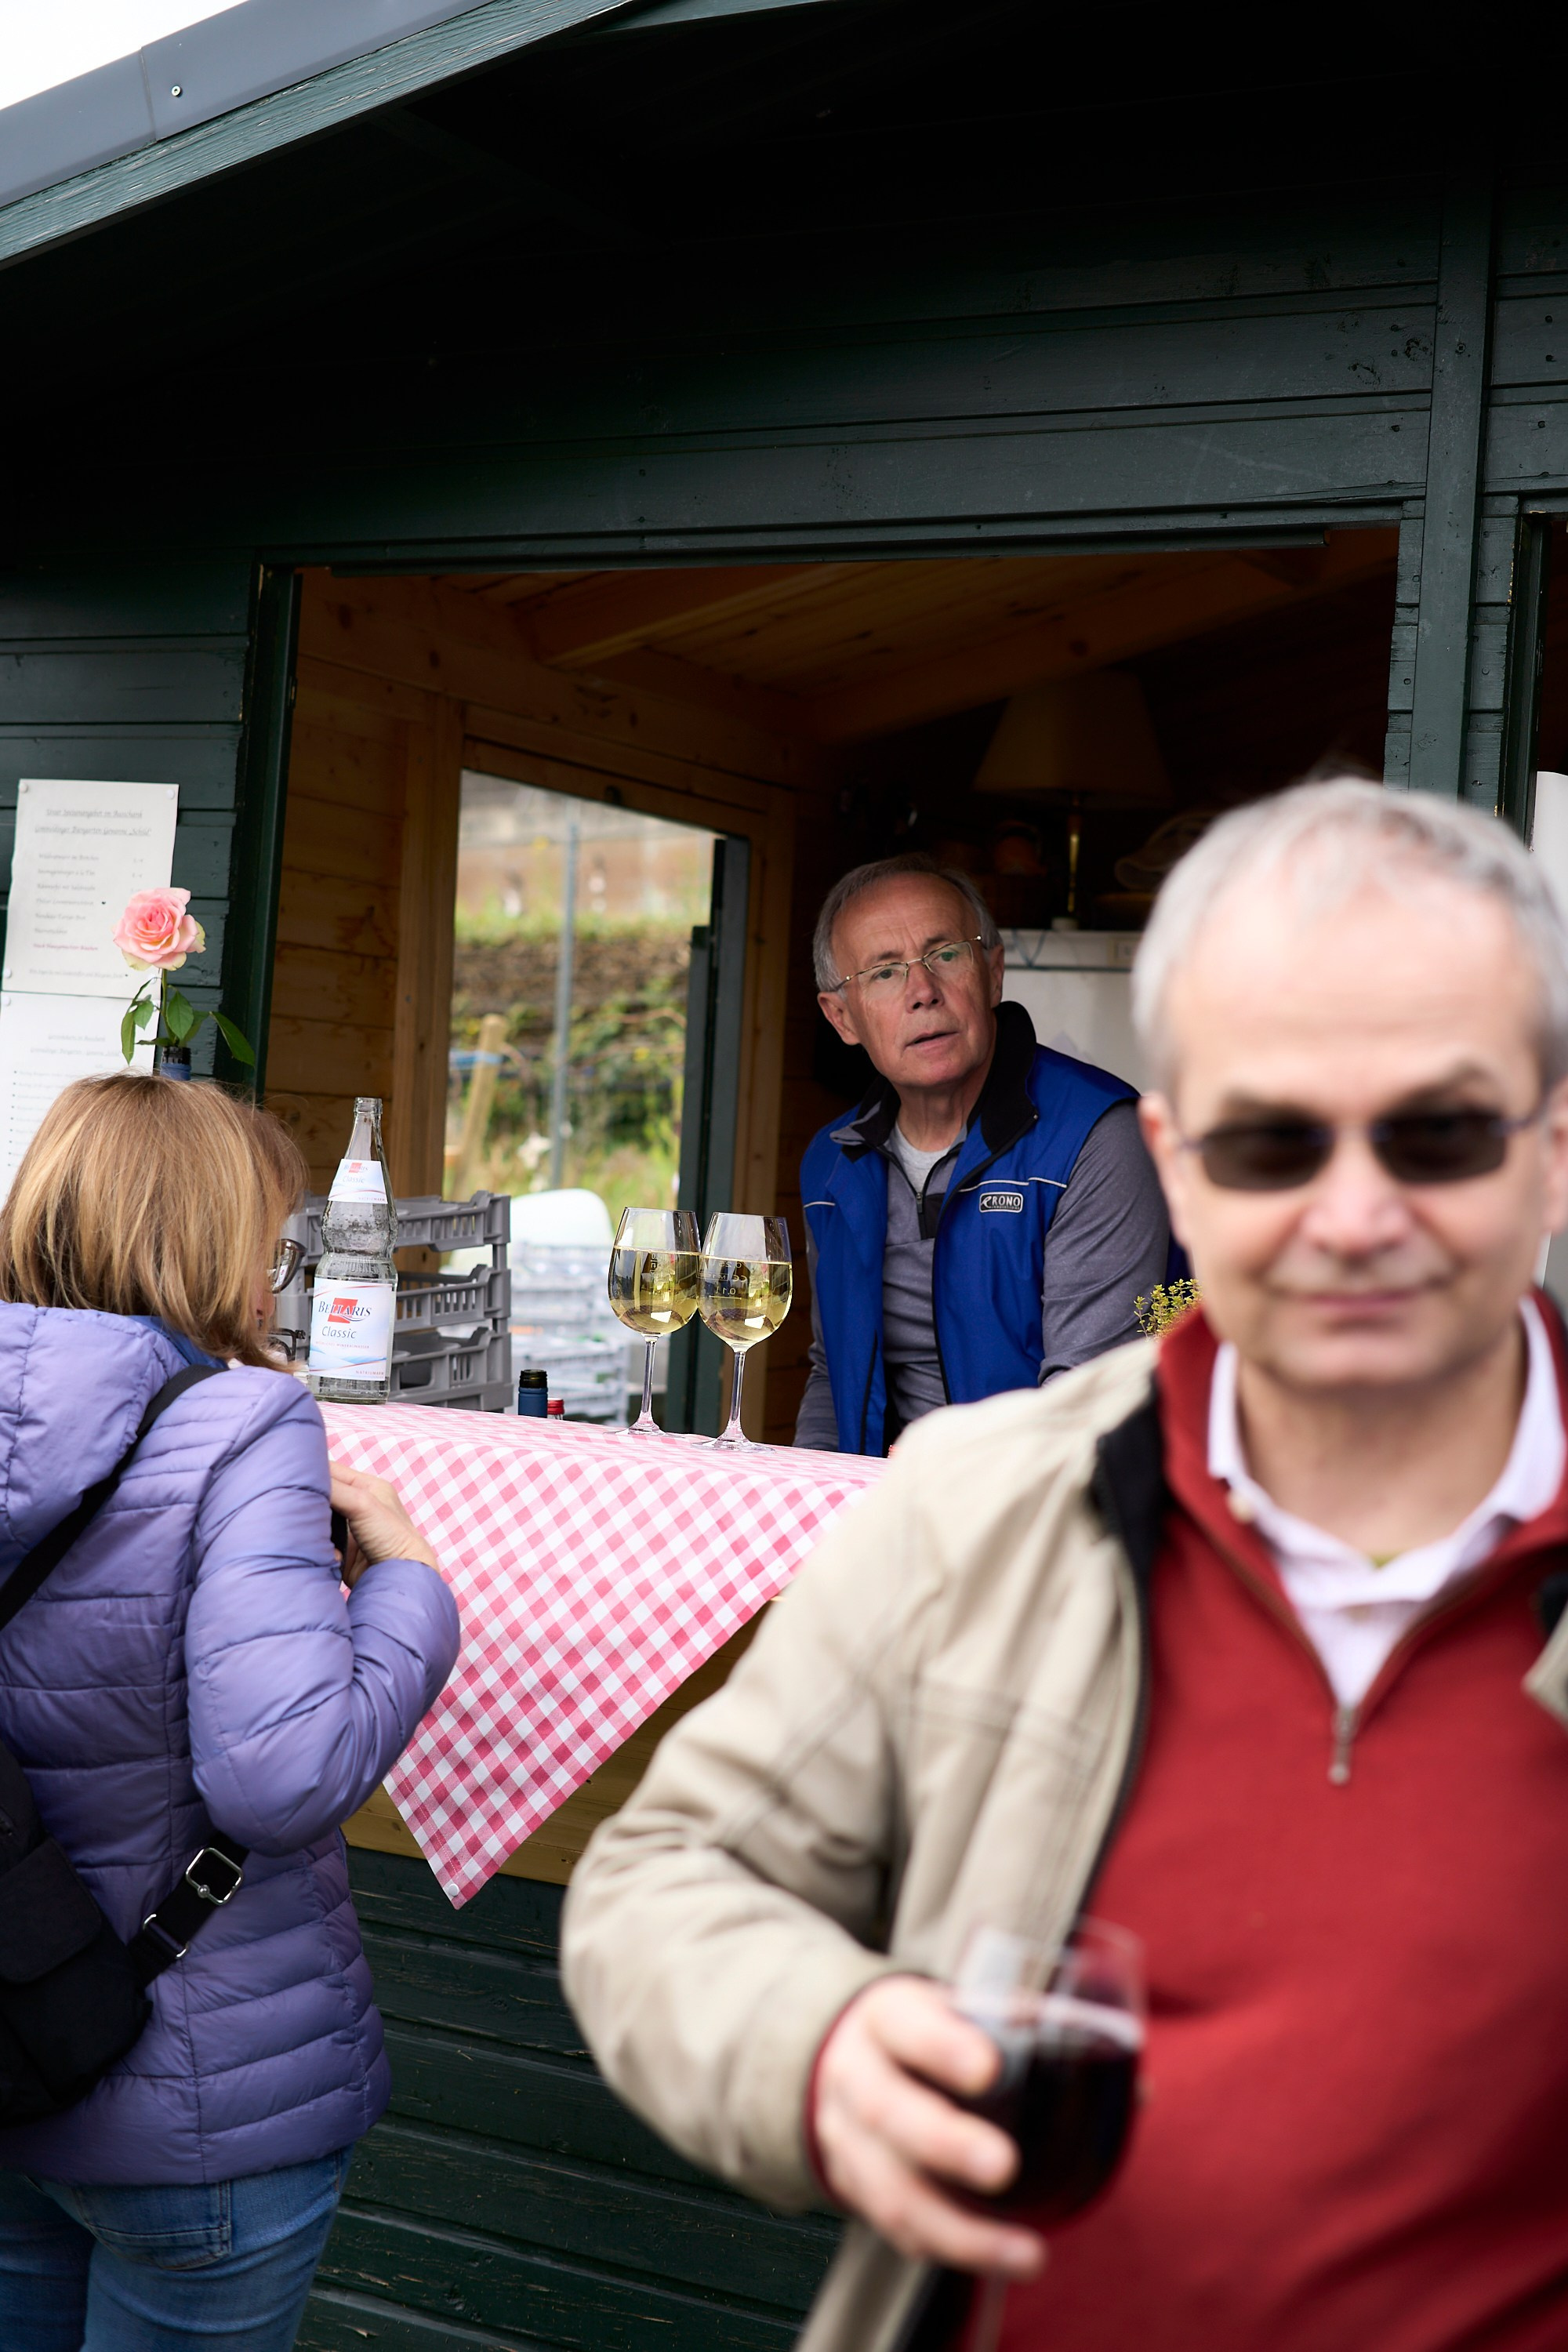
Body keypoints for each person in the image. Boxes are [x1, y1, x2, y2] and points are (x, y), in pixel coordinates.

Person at [562, 779, 1568, 2352]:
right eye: (1270, 1134)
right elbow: (661, 1882)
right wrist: (815, 2046)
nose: (1354, 1208)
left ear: (1551, 1148)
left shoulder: (1059, 1174)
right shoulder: (980, 1513)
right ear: (1178, 1156)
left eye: (1438, 1127)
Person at [0, 1073, 460, 2352]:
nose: (277, 1270)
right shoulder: (244, 1421)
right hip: (197, 2095)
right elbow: (282, 1771)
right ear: (210, 1238)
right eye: (270, 1235)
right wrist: (408, 1583)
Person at [797, 855, 1168, 1454]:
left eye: (945, 955)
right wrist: (807, 1505)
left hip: (1047, 1512)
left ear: (993, 974)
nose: (923, 992)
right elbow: (830, 1374)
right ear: (842, 1017)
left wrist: (943, 1476)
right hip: (889, 1504)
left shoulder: (1099, 1137)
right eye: (885, 972)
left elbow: (1089, 1403)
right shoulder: (832, 1164)